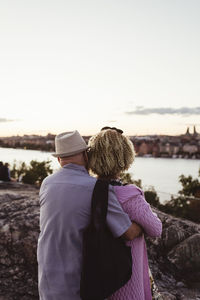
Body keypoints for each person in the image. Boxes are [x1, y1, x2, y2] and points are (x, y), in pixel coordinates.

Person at [37, 130, 142, 300]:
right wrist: (142, 224)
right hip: (78, 284)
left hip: (47, 281)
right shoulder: (97, 188)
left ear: (59, 159)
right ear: (86, 155)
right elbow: (128, 232)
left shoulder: (47, 183)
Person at [88, 127, 162, 300]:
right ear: (125, 156)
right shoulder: (129, 195)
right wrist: (140, 226)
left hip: (96, 273)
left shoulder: (87, 191)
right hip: (126, 279)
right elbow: (156, 229)